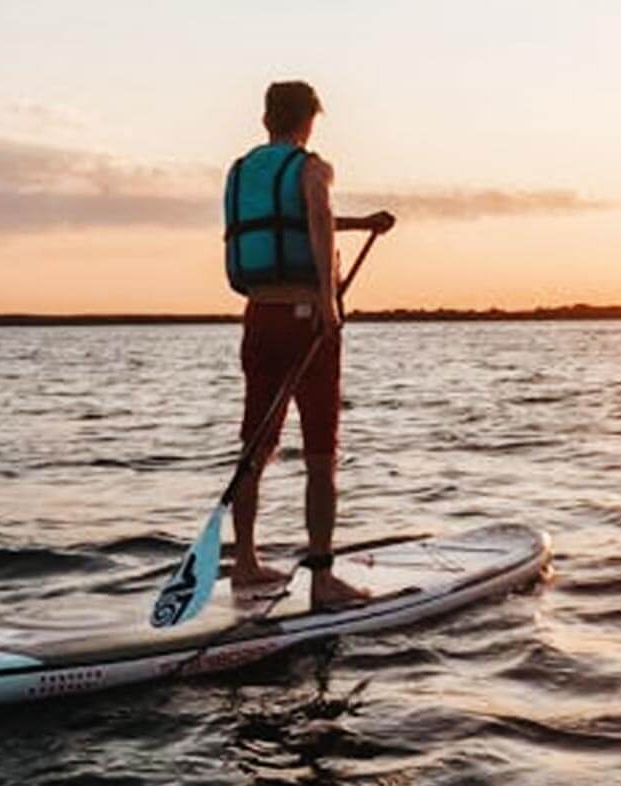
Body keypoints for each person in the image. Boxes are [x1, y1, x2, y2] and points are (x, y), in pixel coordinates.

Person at [223, 80, 394, 607]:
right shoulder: (314, 166)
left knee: (255, 446)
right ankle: (322, 579)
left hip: (259, 317)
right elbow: (316, 216)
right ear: (309, 120)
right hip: (305, 321)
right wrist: (328, 302)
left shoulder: (242, 169)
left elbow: (297, 220)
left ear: (265, 119)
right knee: (322, 452)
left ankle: (246, 565)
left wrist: (362, 224)